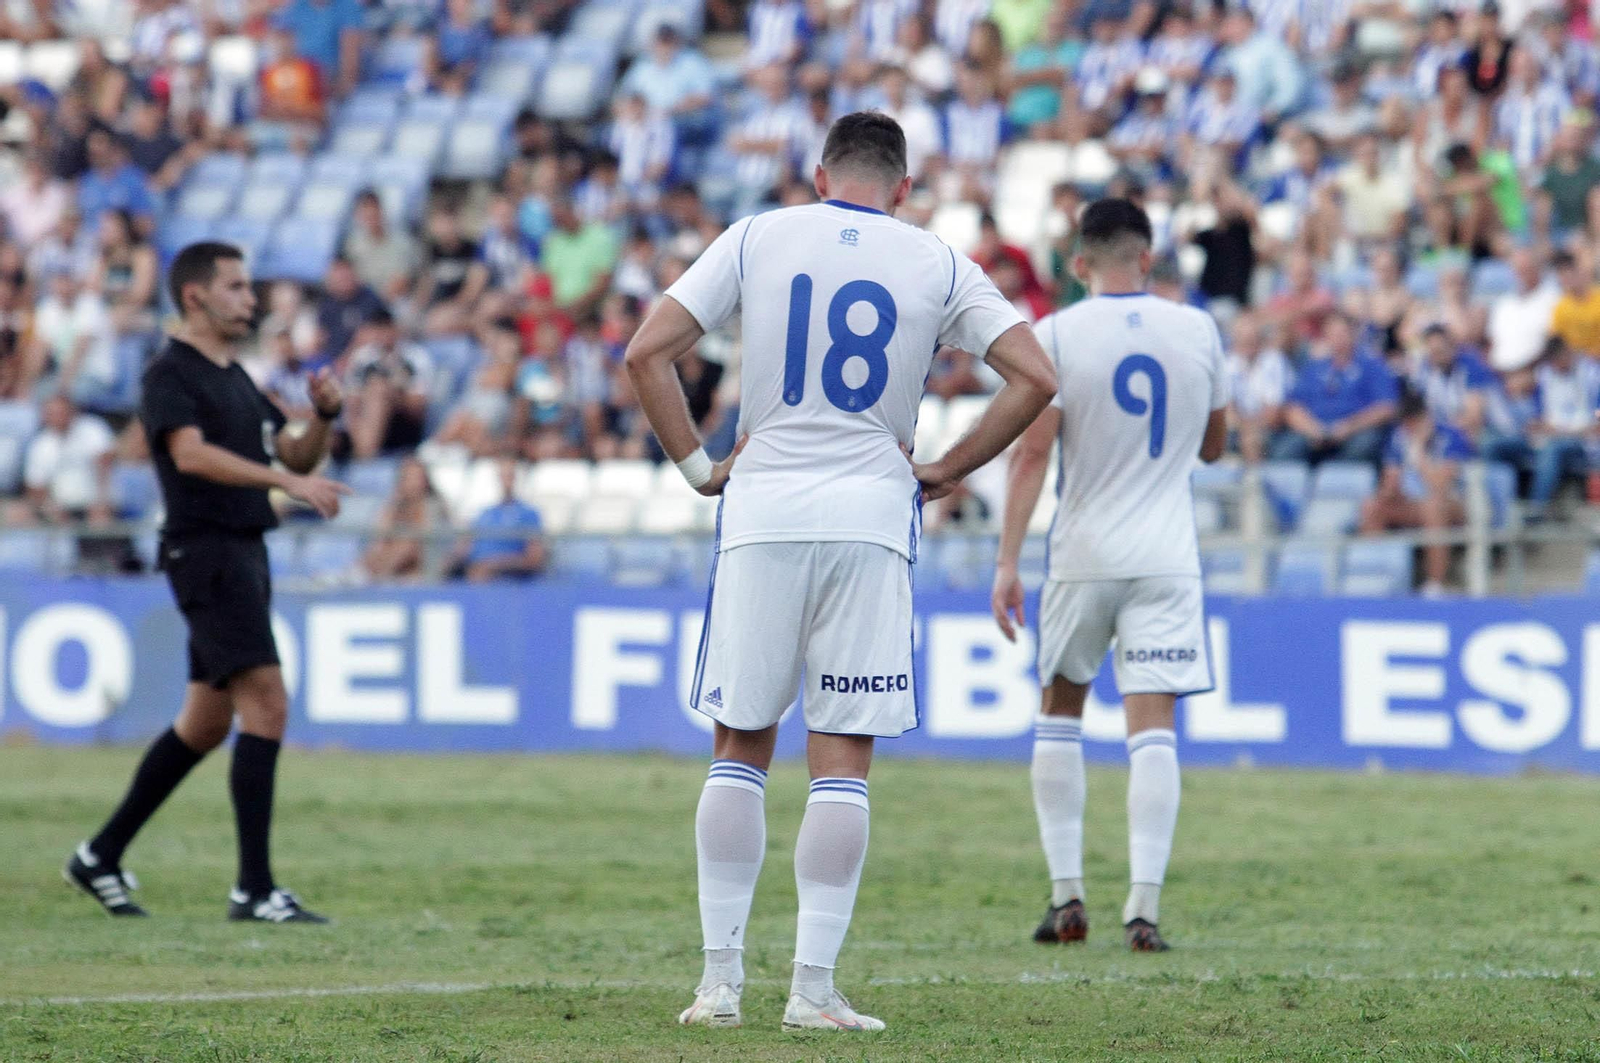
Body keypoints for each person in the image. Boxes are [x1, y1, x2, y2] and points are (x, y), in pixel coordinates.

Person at [625, 111, 1055, 1032]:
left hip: (765, 505)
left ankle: (719, 985)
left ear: (820, 174)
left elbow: (645, 352)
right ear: (903, 188)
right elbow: (1033, 375)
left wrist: (702, 469)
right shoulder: (936, 259)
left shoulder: (758, 235)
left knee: (740, 744)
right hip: (869, 513)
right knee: (843, 758)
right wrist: (948, 466)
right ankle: (813, 990)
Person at [64, 242, 349, 922]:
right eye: (238, 287)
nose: (250, 299)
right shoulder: (171, 374)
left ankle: (99, 855)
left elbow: (294, 448)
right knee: (269, 704)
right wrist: (286, 479)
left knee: (206, 720)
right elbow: (189, 455)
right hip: (207, 552)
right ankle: (253, 888)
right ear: (196, 296)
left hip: (243, 551)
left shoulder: (239, 378)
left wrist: (325, 416)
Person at [993, 198, 1227, 957]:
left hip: (1085, 551)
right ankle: (1144, 908)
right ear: (1149, 256)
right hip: (1166, 554)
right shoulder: (1196, 329)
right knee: (1152, 726)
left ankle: (1066, 895)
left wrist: (1006, 561)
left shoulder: (1056, 333)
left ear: (1077, 262)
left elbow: (1032, 454)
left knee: (1061, 709)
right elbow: (1216, 447)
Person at [1361, 388, 1473, 595]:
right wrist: (1391, 490)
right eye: (1404, 422)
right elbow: (1390, 477)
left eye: (1412, 421)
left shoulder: (1451, 436)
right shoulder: (1397, 437)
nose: (1407, 427)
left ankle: (1435, 585)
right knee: (1372, 506)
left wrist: (1418, 449)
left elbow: (1440, 486)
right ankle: (1374, 579)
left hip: (1455, 504)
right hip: (1413, 502)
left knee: (1433, 507)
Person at [1272, 312, 1399, 464]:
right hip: (1315, 431)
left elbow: (1386, 408)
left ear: (1353, 334)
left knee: (1363, 446)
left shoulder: (1373, 366)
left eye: (1341, 333)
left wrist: (1348, 427)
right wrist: (1312, 430)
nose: (1337, 339)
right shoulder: (1314, 367)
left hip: (1355, 431)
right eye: (1332, 334)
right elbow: (1293, 407)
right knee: (1285, 450)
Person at [449, 458, 548, 581]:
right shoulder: (484, 513)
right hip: (473, 579)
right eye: (502, 476)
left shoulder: (529, 514)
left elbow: (534, 558)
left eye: (510, 476)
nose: (506, 482)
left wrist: (492, 566)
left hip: (508, 583)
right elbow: (463, 548)